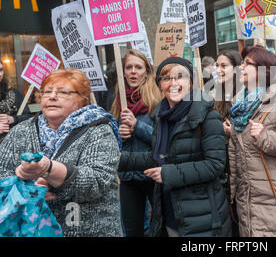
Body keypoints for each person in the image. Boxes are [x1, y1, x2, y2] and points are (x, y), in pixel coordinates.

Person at [0, 69, 122, 236]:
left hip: (89, 230)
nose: (52, 97)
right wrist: (26, 186)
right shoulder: (21, 130)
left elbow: (96, 181)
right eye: (47, 92)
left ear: (81, 100)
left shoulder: (99, 130)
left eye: (63, 92)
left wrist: (49, 170)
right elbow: (2, 174)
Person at [118, 57, 232, 237]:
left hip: (202, 217)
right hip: (170, 212)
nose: (173, 83)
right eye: (166, 78)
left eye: (180, 76)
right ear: (159, 85)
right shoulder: (161, 117)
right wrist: (118, 159)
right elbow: (158, 156)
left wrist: (167, 173)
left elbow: (215, 164)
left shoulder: (207, 116)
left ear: (191, 82)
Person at [228, 46, 276, 236]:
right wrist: (232, 194)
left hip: (274, 200)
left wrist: (266, 137)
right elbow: (235, 154)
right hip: (246, 201)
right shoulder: (239, 105)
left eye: (247, 63)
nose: (241, 67)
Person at [110, 49, 163, 237]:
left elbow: (162, 139)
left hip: (152, 174)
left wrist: (136, 125)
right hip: (128, 177)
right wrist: (119, 134)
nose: (133, 71)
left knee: (158, 229)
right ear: (123, 71)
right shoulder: (118, 99)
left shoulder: (158, 100)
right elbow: (111, 143)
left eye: (138, 67)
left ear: (147, 71)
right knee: (131, 232)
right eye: (129, 67)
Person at [213, 50, 242, 237]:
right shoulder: (214, 95)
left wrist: (232, 132)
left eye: (224, 66)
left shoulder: (245, 95)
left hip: (240, 171)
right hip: (222, 170)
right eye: (217, 66)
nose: (219, 69)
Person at [0, 61, 33, 142]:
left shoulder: (13, 93)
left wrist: (13, 119)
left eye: (0, 70)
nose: (0, 74)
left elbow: (29, 116)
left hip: (13, 144)